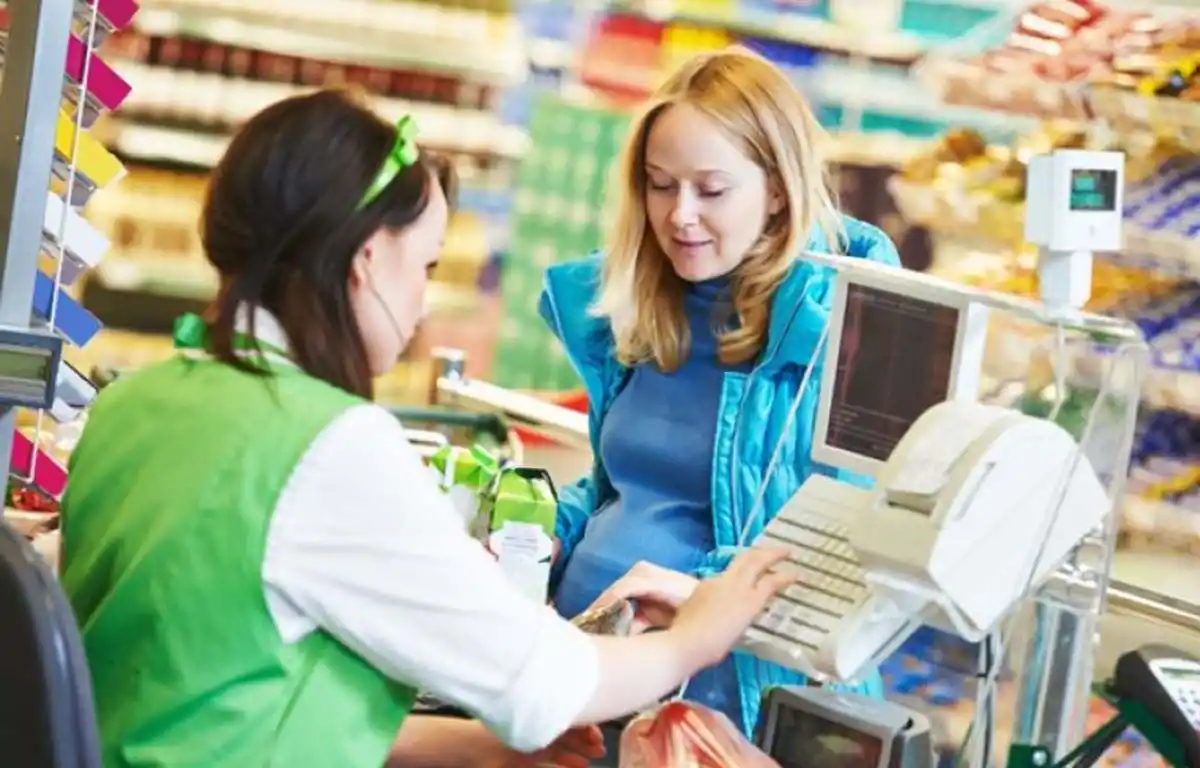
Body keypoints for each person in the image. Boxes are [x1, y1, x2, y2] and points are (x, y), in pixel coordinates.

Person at [57, 89, 797, 768]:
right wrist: (692, 640)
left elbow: (225, 682)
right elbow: (542, 685)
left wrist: (471, 747)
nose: (421, 304)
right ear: (368, 259)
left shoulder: (133, 404)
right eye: (425, 265)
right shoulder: (329, 446)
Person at [540, 48, 903, 739]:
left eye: (711, 191)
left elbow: (850, 542)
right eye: (659, 185)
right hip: (594, 684)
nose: (680, 215)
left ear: (778, 189)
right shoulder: (644, 311)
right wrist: (548, 531)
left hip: (726, 709)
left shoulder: (847, 324)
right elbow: (627, 488)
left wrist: (705, 597)